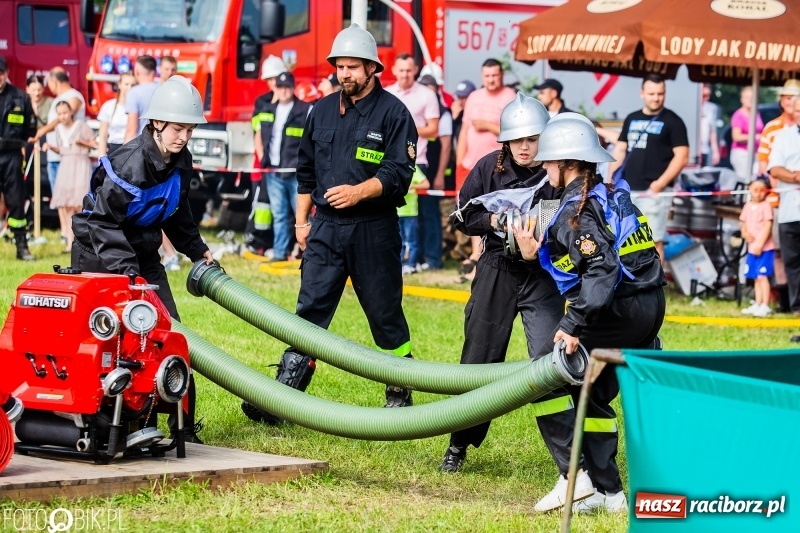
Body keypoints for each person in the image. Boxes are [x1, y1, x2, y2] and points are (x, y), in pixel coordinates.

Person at [241, 24, 418, 424]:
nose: (345, 74)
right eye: (340, 67)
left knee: (384, 311)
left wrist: (358, 192)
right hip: (325, 228)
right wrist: (302, 222)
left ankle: (399, 386)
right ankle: (284, 397)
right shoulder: (319, 110)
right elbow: (305, 171)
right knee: (310, 308)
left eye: (353, 67)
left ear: (373, 68)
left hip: (374, 227)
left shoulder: (394, 113)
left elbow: (398, 172)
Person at [513, 113, 666, 513]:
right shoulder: (608, 191)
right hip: (650, 306)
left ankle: (585, 482)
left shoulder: (573, 213)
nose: (544, 169)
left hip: (621, 309)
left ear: (568, 163)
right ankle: (608, 492)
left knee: (554, 379)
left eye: (549, 162)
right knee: (595, 393)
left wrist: (572, 323)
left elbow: (602, 268)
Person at [72, 76, 213, 443]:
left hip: (144, 255)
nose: (183, 137)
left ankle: (182, 429)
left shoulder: (181, 162)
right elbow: (100, 221)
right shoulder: (130, 164)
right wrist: (128, 276)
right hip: (100, 254)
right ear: (157, 125)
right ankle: (111, 422)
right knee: (115, 341)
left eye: (189, 130)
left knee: (171, 335)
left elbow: (177, 214)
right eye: (177, 129)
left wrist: (198, 250)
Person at [439, 93, 564, 473]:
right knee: (479, 356)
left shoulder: (556, 172)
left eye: (533, 138)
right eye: (518, 139)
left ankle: (568, 459)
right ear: (506, 139)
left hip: (540, 273)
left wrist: (535, 233)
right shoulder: (486, 169)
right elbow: (461, 217)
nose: (526, 147)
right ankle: (458, 445)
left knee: (551, 361)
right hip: (496, 268)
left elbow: (560, 220)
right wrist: (494, 222)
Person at [608, 73, 689, 266]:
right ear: (642, 93)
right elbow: (621, 149)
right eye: (652, 93)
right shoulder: (631, 118)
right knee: (625, 239)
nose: (656, 98)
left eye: (660, 93)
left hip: (655, 193)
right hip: (627, 190)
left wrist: (659, 184)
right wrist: (610, 176)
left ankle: (655, 288)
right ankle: (631, 284)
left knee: (653, 240)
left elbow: (682, 156)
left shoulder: (673, 121)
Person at [456, 59, 516, 280]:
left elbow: (515, 132)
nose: (491, 79)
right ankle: (476, 254)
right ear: (482, 76)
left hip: (499, 164)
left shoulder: (510, 96)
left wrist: (488, 125)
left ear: (501, 75)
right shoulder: (474, 97)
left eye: (495, 75)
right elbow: (464, 130)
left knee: (496, 210)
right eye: (487, 75)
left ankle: (489, 258)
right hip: (472, 163)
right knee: (474, 208)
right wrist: (461, 159)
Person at [385, 55, 440, 272]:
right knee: (395, 216)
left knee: (426, 214)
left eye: (409, 70)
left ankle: (433, 259)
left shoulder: (427, 95)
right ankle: (400, 259)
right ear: (394, 70)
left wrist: (408, 130)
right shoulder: (387, 94)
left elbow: (433, 129)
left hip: (419, 162)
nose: (405, 74)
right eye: (401, 70)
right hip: (392, 162)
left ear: (415, 70)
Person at [254, 71, 312, 262]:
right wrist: (263, 159)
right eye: (281, 87)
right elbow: (259, 135)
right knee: (279, 215)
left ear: (293, 88)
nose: (284, 91)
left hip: (296, 172)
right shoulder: (268, 110)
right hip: (273, 171)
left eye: (288, 87)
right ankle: (280, 253)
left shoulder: (306, 110)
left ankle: (312, 254)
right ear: (275, 89)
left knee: (301, 215)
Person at [244, 54, 287, 256]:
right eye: (269, 80)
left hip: (284, 163)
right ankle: (257, 241)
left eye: (275, 79)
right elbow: (257, 132)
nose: (272, 84)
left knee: (280, 207)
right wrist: (263, 159)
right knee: (261, 204)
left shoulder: (290, 102)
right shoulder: (261, 102)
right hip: (263, 163)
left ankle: (275, 244)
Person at [35, 68, 85, 224]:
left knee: (70, 199)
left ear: (54, 81)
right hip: (54, 154)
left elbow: (65, 115)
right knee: (59, 198)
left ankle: (74, 232)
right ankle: (65, 232)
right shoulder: (59, 98)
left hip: (67, 156)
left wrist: (43, 130)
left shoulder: (74, 97)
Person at [44, 101, 96, 252]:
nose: (62, 117)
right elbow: (63, 149)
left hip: (80, 164)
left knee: (79, 204)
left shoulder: (81, 125)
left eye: (65, 113)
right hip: (65, 165)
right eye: (59, 114)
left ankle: (83, 240)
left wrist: (83, 142)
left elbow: (94, 143)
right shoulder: (58, 129)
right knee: (66, 205)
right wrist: (51, 147)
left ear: (71, 112)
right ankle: (69, 240)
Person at [0, 55, 36, 260]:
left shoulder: (20, 97)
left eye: (1, 74)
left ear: (6, 74)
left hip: (12, 156)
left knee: (16, 200)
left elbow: (30, 128)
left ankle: (22, 246)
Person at [767, 94, 800, 318]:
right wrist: (796, 177)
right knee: (793, 262)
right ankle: (798, 308)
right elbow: (774, 169)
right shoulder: (783, 137)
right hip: (790, 210)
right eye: (796, 111)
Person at [417, 74, 453, 270]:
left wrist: (440, 175)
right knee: (418, 215)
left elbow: (446, 147)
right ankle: (420, 256)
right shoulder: (421, 113)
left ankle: (433, 258)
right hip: (419, 169)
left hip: (433, 171)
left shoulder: (443, 114)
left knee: (430, 215)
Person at [739, 176, 775, 317]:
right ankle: (758, 302)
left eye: (762, 190)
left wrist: (760, 243)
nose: (758, 193)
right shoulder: (747, 206)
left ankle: (765, 304)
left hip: (764, 249)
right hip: (752, 248)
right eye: (755, 190)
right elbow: (743, 222)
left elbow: (768, 225)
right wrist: (745, 233)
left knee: (762, 276)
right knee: (755, 276)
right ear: (750, 190)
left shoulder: (766, 206)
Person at [757, 79, 800, 175]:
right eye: (789, 98)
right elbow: (763, 164)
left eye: (795, 98)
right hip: (778, 185)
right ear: (782, 101)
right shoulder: (771, 128)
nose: (792, 102)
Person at [399, 166, 429, 275]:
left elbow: (426, 184)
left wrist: (412, 185)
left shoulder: (413, 168)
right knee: (399, 242)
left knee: (412, 242)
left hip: (410, 213)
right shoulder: (394, 165)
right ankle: (401, 265)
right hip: (396, 212)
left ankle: (411, 265)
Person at [98, 71, 136, 156]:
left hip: (133, 150)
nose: (129, 88)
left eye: (133, 85)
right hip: (114, 149)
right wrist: (102, 158)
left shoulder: (138, 108)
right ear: (119, 84)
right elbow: (103, 136)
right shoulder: (108, 106)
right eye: (126, 84)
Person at [729, 86, 764, 182]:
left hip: (756, 152)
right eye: (747, 97)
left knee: (756, 179)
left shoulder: (756, 113)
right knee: (746, 180)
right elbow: (736, 136)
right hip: (742, 153)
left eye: (752, 97)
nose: (750, 100)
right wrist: (753, 137)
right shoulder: (738, 115)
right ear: (742, 99)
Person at [124, 55, 159, 142]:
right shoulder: (164, 89)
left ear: (137, 71)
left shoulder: (134, 93)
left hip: (142, 146)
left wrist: (125, 153)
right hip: (162, 146)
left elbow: (132, 130)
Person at [699, 83, 720, 167]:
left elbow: (712, 131)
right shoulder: (692, 106)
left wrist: (715, 151)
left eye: (708, 95)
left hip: (705, 148)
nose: (706, 98)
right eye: (704, 95)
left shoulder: (711, 108)